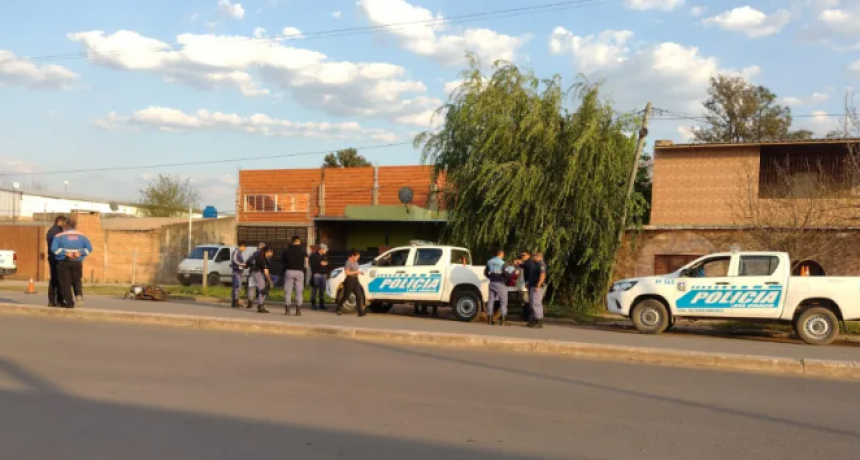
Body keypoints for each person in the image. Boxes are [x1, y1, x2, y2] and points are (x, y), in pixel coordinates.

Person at [50, 219, 92, 309]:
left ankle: (69, 303)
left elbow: (54, 249)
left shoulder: (59, 236)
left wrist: (66, 253)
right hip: (77, 262)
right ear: (75, 226)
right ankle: (79, 295)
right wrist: (79, 253)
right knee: (77, 280)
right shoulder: (82, 236)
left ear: (65, 226)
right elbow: (89, 249)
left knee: (65, 283)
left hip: (63, 262)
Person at [281, 235, 308, 316]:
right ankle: (298, 310)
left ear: (291, 241)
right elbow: (306, 264)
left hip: (289, 271)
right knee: (299, 292)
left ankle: (287, 310)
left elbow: (282, 261)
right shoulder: (303, 251)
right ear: (299, 241)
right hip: (299, 272)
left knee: (288, 291)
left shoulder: (286, 250)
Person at [337, 250, 365, 317]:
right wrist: (356, 272)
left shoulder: (356, 262)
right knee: (346, 295)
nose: (358, 258)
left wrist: (360, 272)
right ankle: (339, 307)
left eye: (358, 257)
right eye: (357, 257)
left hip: (355, 280)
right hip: (349, 281)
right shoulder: (348, 262)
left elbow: (356, 270)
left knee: (359, 295)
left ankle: (360, 312)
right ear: (353, 256)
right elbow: (347, 273)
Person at [46, 215, 66, 307]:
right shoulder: (58, 232)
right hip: (57, 257)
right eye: (64, 223)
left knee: (53, 279)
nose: (65, 225)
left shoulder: (50, 231)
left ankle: (51, 300)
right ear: (61, 222)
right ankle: (59, 300)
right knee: (59, 279)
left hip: (52, 257)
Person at [485, 249, 508, 326]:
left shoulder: (489, 262)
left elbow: (485, 272)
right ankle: (502, 319)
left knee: (491, 300)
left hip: (492, 283)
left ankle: (490, 318)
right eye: (503, 254)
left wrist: (490, 277)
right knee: (503, 301)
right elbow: (506, 274)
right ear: (501, 254)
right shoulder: (502, 263)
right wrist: (506, 279)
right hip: (500, 283)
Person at [248, 245, 274, 313]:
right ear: (268, 252)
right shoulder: (263, 260)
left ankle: (253, 302)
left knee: (252, 288)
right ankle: (260, 306)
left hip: (253, 273)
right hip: (258, 273)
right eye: (271, 253)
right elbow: (266, 272)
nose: (272, 254)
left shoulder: (260, 255)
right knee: (263, 290)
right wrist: (270, 281)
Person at [527, 252, 548, 328]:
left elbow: (542, 275)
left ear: (538, 256)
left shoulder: (541, 264)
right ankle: (534, 318)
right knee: (533, 303)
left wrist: (538, 285)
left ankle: (538, 319)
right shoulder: (536, 264)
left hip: (537, 286)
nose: (533, 258)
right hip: (532, 286)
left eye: (534, 256)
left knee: (536, 303)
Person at [515, 251, 535, 321]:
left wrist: (517, 265)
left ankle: (528, 316)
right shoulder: (522, 265)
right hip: (522, 286)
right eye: (521, 256)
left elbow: (517, 273)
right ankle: (525, 315)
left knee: (526, 301)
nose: (522, 257)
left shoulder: (527, 264)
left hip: (524, 287)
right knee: (524, 302)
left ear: (528, 255)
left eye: (523, 255)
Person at [309, 243, 329, 310]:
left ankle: (321, 304)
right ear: (321, 249)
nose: (326, 251)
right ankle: (313, 303)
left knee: (322, 290)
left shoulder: (325, 255)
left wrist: (323, 263)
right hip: (316, 274)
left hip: (323, 274)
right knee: (315, 289)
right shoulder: (313, 256)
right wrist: (321, 263)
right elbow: (314, 264)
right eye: (325, 249)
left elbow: (326, 263)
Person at [230, 242, 247, 308]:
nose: (245, 249)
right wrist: (242, 264)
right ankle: (235, 302)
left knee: (236, 287)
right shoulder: (236, 251)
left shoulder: (239, 252)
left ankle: (234, 302)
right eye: (245, 247)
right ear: (242, 246)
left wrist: (241, 272)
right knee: (237, 287)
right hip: (236, 272)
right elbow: (235, 260)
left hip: (238, 272)